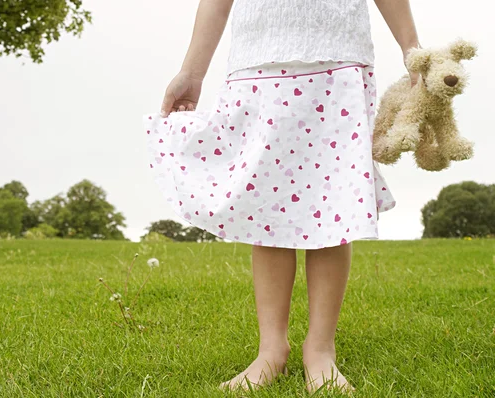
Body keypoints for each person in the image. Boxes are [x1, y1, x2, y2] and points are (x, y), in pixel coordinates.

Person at [142, 0, 420, 393]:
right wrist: (191, 72)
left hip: (337, 58)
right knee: (268, 209)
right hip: (259, 62)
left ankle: (320, 349)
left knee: (331, 205)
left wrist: (411, 47)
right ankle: (271, 348)